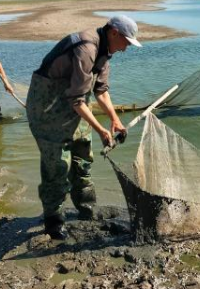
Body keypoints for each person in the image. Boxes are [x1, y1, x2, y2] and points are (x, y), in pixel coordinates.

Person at [26, 15, 140, 239]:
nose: (126, 48)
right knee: (57, 166)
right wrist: (100, 129)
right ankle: (53, 222)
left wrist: (114, 120)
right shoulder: (86, 48)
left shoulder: (106, 52)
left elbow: (101, 91)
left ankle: (86, 209)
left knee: (83, 159)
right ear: (113, 32)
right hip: (47, 107)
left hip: (73, 106)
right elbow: (77, 100)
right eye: (126, 42)